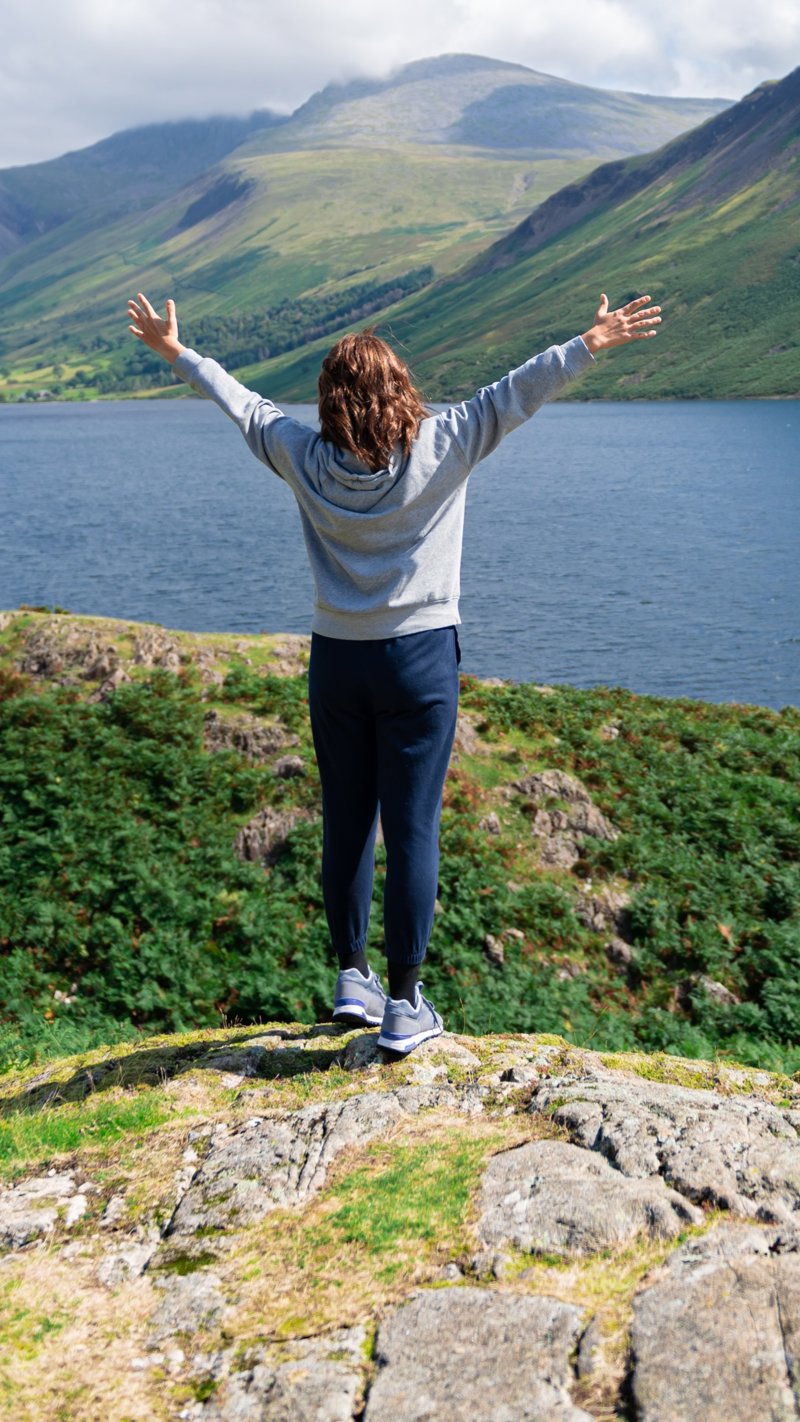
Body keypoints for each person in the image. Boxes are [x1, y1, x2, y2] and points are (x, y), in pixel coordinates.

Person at [127, 288, 661, 1054]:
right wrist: (590, 343)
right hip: (419, 660)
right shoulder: (445, 443)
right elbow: (517, 391)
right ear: (400, 389)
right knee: (412, 828)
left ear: (329, 400)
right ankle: (406, 1003)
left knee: (347, 822)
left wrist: (177, 352)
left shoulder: (303, 457)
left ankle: (352, 977)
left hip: (337, 661)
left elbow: (241, 404)